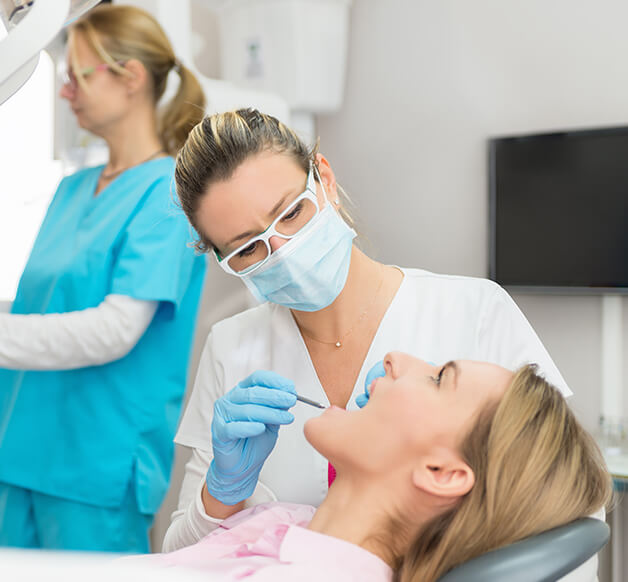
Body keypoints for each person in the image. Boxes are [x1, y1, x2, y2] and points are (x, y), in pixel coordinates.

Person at [164, 108, 572, 550]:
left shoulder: (475, 310)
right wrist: (221, 493)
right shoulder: (230, 347)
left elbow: (566, 509)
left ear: (324, 179)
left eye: (292, 213)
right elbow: (179, 556)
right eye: (247, 249)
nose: (282, 252)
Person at [0, 5, 206, 552]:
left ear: (130, 78)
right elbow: (34, 314)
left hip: (95, 465)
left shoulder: (168, 195)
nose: (65, 91)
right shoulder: (72, 188)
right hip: (19, 452)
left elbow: (113, 330)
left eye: (76, 75)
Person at [136, 355, 611, 581]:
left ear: (441, 472)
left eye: (439, 378)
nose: (396, 358)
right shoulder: (289, 524)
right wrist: (225, 491)